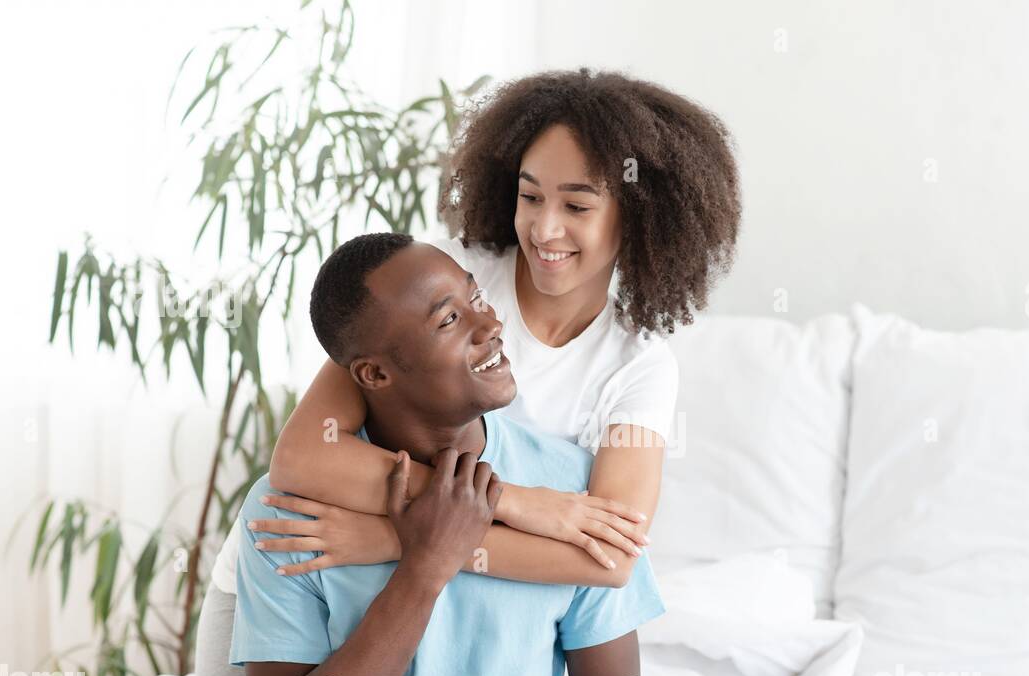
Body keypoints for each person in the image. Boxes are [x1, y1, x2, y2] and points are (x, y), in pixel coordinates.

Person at [205, 67, 742, 593]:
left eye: (576, 205)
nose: (544, 228)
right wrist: (512, 501)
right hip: (290, 570)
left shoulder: (638, 366)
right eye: (530, 197)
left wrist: (397, 539)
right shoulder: (445, 280)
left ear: (642, 216)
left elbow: (609, 561)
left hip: (406, 592)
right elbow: (305, 456)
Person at [234, 234, 665, 676]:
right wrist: (424, 568)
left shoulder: (573, 491)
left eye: (477, 299)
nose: (491, 324)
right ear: (375, 374)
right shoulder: (289, 511)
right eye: (449, 319)